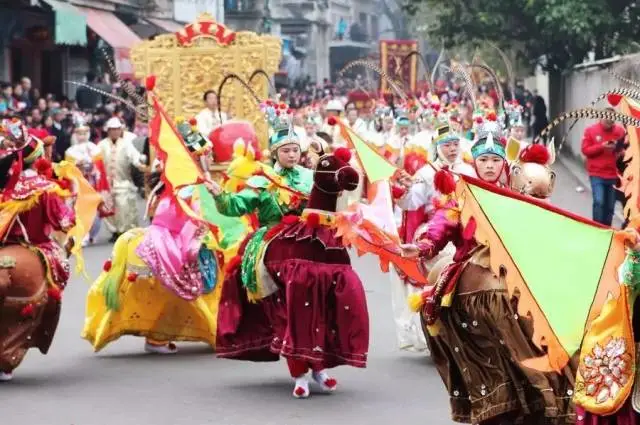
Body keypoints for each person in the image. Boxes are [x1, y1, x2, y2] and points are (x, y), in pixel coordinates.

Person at [0, 123, 76, 381]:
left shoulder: (6, 185)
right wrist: (72, 203)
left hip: (5, 244)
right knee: (59, 271)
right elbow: (64, 222)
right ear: (39, 158)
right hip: (36, 246)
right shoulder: (46, 188)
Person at [97, 117, 147, 242]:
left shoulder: (126, 144)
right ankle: (114, 231)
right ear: (108, 131)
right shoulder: (101, 145)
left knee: (124, 206)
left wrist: (141, 163)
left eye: (117, 129)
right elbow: (95, 160)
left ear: (121, 130)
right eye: (112, 129)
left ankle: (125, 231)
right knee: (108, 208)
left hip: (123, 182)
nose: (114, 132)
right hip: (106, 184)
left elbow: (134, 157)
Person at [581, 109, 625, 226]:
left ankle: (606, 228)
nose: (609, 122)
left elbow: (623, 148)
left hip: (612, 174)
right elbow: (585, 150)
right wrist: (601, 146)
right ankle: (596, 226)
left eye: (612, 121)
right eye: (607, 119)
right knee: (599, 201)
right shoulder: (590, 131)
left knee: (610, 206)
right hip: (596, 173)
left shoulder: (620, 132)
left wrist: (621, 151)